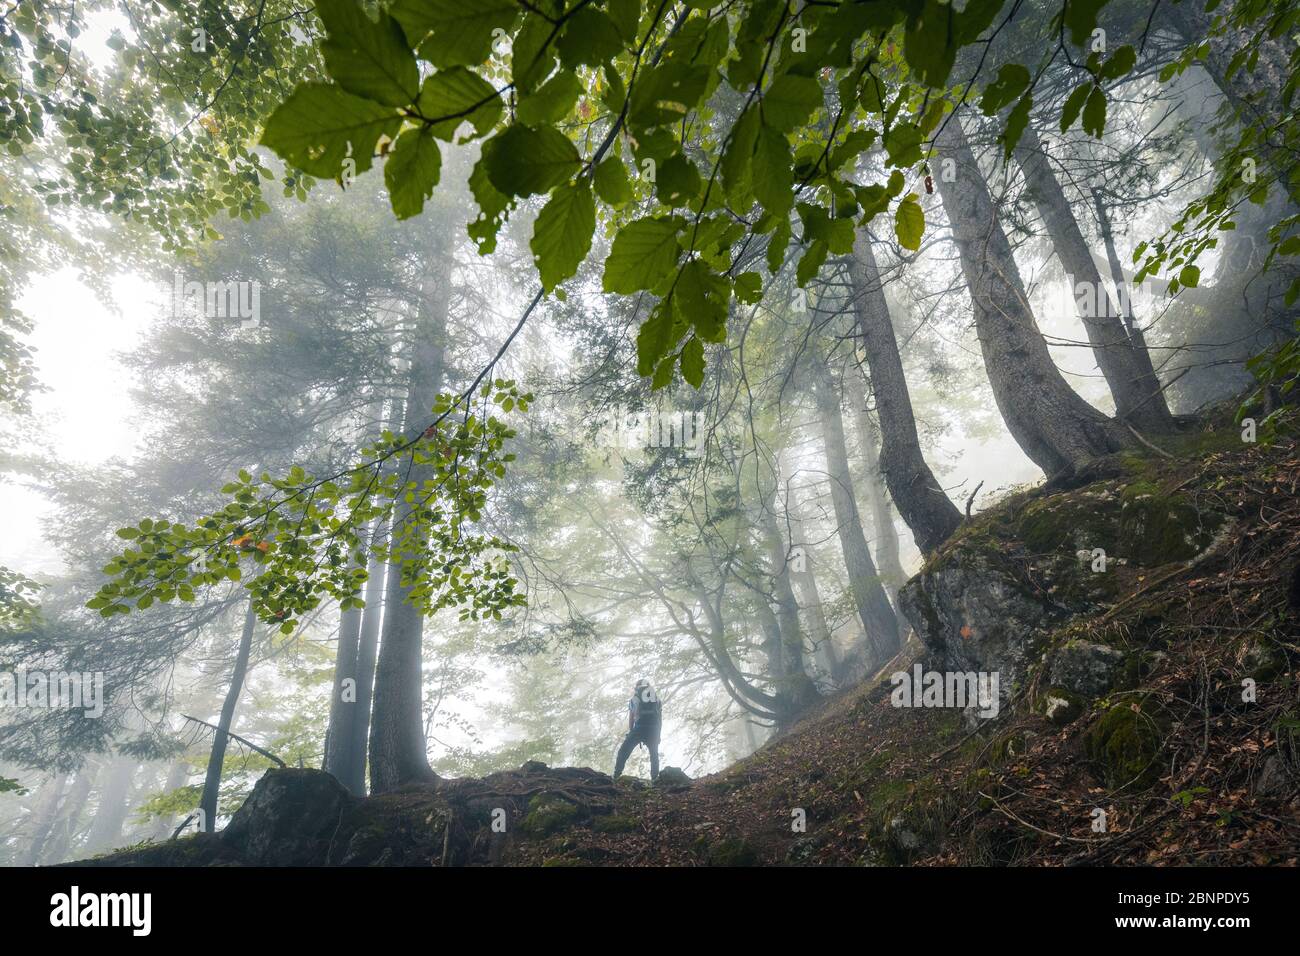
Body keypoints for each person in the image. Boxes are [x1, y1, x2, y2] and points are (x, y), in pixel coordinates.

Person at [613, 678, 661, 782]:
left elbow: (631, 718)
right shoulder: (657, 699)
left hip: (639, 728)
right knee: (654, 754)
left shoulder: (635, 698)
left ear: (637, 687)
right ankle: (655, 779)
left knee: (623, 751)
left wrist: (631, 732)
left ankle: (616, 775)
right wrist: (658, 735)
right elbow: (659, 718)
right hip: (653, 729)